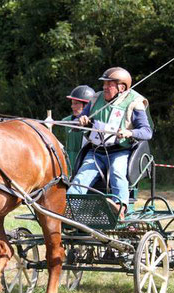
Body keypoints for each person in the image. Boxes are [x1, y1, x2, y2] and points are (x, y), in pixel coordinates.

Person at [67, 67, 153, 218]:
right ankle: (69, 209)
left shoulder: (135, 102)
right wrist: (81, 121)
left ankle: (120, 207)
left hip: (120, 151)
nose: (105, 87)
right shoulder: (96, 99)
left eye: (109, 84)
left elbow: (147, 132)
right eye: (104, 84)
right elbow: (76, 123)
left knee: (117, 172)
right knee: (81, 177)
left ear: (122, 87)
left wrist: (129, 132)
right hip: (95, 152)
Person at [55, 85, 95, 172]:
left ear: (86, 105)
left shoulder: (95, 124)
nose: (72, 106)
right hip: (67, 163)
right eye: (72, 103)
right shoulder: (66, 121)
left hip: (85, 164)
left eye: (76, 103)